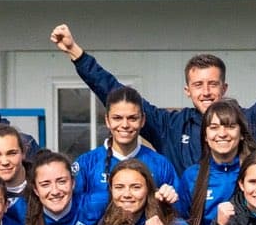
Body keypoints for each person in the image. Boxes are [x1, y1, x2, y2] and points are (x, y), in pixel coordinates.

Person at [52, 13, 256, 174]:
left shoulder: (247, 123)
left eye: (212, 84)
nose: (206, 92)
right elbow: (116, 92)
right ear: (187, 91)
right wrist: (77, 54)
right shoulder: (169, 126)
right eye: (198, 85)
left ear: (225, 88)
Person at [73, 87, 181, 216]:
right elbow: (74, 212)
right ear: (107, 120)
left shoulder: (160, 164)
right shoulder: (86, 163)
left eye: (132, 118)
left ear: (143, 120)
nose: (125, 125)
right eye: (117, 118)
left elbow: (178, 215)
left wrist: (169, 201)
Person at [179, 99, 256, 225]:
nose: (222, 133)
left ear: (242, 134)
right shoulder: (192, 176)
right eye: (214, 127)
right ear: (205, 135)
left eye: (230, 126)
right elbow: (179, 221)